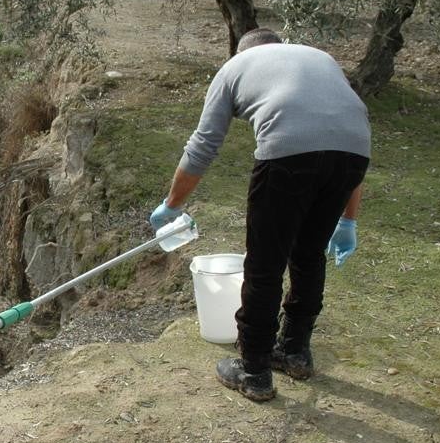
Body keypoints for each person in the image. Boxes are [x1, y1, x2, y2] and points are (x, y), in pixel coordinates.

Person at [150, 28, 371, 402]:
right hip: (354, 154)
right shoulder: (319, 58)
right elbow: (343, 138)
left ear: (241, 52)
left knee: (265, 265)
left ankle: (254, 371)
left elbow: (203, 146)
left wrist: (172, 204)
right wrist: (347, 220)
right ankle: (295, 352)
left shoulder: (235, 67)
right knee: (308, 254)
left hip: (287, 154)